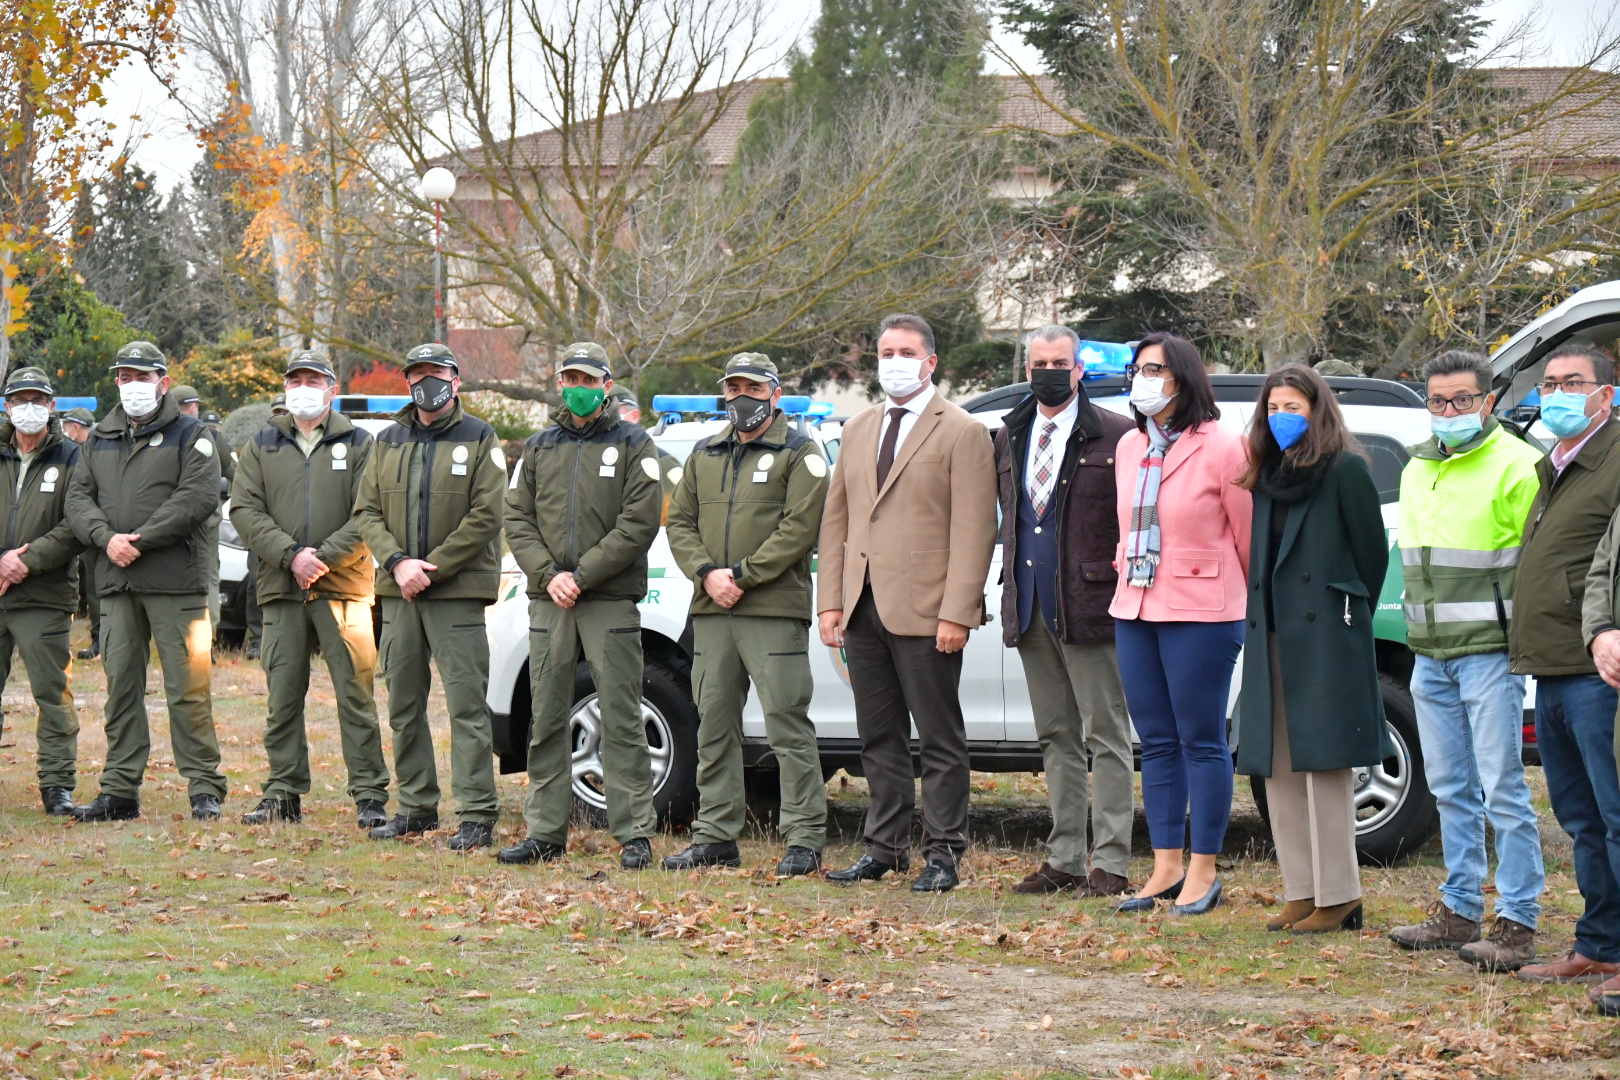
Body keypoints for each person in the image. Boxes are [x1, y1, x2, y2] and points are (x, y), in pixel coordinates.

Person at [818, 313, 998, 893]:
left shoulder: (962, 431)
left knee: (940, 738)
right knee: (878, 736)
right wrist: (831, 603)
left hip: (927, 609)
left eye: (906, 352)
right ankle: (885, 847)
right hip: (863, 606)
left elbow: (976, 530)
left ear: (930, 362)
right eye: (886, 352)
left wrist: (958, 610)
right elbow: (838, 518)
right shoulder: (860, 427)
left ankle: (944, 852)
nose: (894, 362)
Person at [1387, 350, 1545, 966]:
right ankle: (1458, 911)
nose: (1448, 411)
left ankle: (1518, 921)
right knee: (1450, 787)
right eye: (1437, 401)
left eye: (1462, 401)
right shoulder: (1417, 466)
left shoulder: (1519, 466)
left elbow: (1533, 568)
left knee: (1503, 789)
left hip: (1489, 654)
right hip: (1430, 655)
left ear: (1489, 402)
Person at [1233, 365, 1388, 932]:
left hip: (1325, 635)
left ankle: (1340, 894)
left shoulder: (1344, 468)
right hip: (1271, 633)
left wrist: (1341, 610)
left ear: (1316, 410)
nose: (1281, 417)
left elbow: (1372, 557)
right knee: (1277, 768)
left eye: (1292, 406)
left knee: (1325, 765)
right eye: (1273, 407)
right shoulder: (1267, 471)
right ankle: (1301, 890)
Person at [663, 353, 831, 876]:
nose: (742, 398)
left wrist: (744, 575)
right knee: (713, 723)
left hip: (773, 610)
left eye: (753, 389)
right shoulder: (704, 452)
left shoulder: (801, 453)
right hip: (712, 611)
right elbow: (680, 523)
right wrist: (708, 573)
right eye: (733, 389)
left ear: (774, 394)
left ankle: (804, 837)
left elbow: (800, 529)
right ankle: (715, 835)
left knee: (786, 723)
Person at [498, 342, 662, 868]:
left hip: (608, 598)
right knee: (545, 715)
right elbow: (516, 517)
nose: (579, 388)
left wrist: (583, 575)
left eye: (589, 380)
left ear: (607, 386)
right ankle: (545, 832)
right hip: (550, 600)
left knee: (620, 713)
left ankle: (634, 832)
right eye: (570, 378)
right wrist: (550, 577)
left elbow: (639, 522)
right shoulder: (539, 446)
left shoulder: (634, 443)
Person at [1110, 332, 1250, 916]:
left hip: (1204, 610)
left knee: (1201, 739)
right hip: (1137, 604)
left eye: (1156, 370)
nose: (1144, 380)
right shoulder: (1129, 446)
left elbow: (1246, 536)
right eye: (1138, 369)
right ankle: (1165, 864)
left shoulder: (1224, 445)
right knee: (1157, 742)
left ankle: (1203, 870)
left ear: (1184, 378)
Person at [993, 326, 1135, 897]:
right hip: (1029, 608)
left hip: (1089, 607)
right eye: (1038, 363)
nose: (1048, 371)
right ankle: (1066, 857)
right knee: (1056, 735)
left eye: (1060, 362)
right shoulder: (1009, 434)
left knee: (1107, 736)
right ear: (1026, 370)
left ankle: (1112, 862)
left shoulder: (1117, 434)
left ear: (1080, 369)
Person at [353, 342, 506, 851]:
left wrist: (431, 568)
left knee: (466, 705)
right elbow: (366, 511)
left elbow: (487, 515)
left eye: (436, 373)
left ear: (455, 380)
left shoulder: (480, 437)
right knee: (403, 702)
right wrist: (398, 563)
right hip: (399, 594)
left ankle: (477, 813)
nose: (426, 382)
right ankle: (416, 807)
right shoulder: (388, 440)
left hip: (455, 593)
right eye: (417, 374)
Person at [65, 341, 227, 822]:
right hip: (116, 584)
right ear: (116, 381)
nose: (133, 384)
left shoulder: (193, 433)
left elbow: (197, 498)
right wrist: (105, 538)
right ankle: (119, 792)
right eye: (125, 376)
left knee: (188, 687)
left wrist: (139, 538)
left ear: (164, 381)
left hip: (175, 581)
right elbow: (78, 499)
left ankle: (204, 787)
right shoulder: (99, 438)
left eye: (142, 376)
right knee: (121, 688)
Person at [229, 351, 389, 829]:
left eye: (312, 379)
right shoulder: (261, 444)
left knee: (355, 696)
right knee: (282, 696)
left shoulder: (360, 443)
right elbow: (245, 510)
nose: (302, 386)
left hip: (344, 588)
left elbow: (370, 511)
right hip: (281, 588)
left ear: (331, 388)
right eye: (294, 379)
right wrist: (290, 556)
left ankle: (369, 795)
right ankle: (283, 792)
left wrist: (320, 559)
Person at [1513, 343, 1620, 987]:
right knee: (1579, 819)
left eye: (1572, 382)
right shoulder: (1553, 464)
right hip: (1550, 667)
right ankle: (1599, 943)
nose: (1556, 393)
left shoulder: (1615, 460)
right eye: (1549, 383)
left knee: (1615, 817)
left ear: (1606, 396)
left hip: (1598, 669)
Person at [0, 368, 85, 815]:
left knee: (53, 695)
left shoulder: (72, 456)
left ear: (51, 406)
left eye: (37, 399)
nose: (28, 407)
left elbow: (78, 524)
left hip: (45, 595)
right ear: (7, 406)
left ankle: (57, 787)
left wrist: (25, 562)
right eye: (20, 399)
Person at [171, 385, 234, 631]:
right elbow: (235, 475)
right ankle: (207, 636)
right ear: (194, 406)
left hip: (170, 520)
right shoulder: (211, 437)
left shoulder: (163, 435)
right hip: (206, 519)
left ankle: (180, 631)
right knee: (208, 577)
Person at [60, 408, 101, 660]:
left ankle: (100, 642)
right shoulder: (99, 448)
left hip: (93, 529)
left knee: (96, 589)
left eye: (67, 426)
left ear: (75, 427)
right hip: (93, 527)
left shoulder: (88, 452)